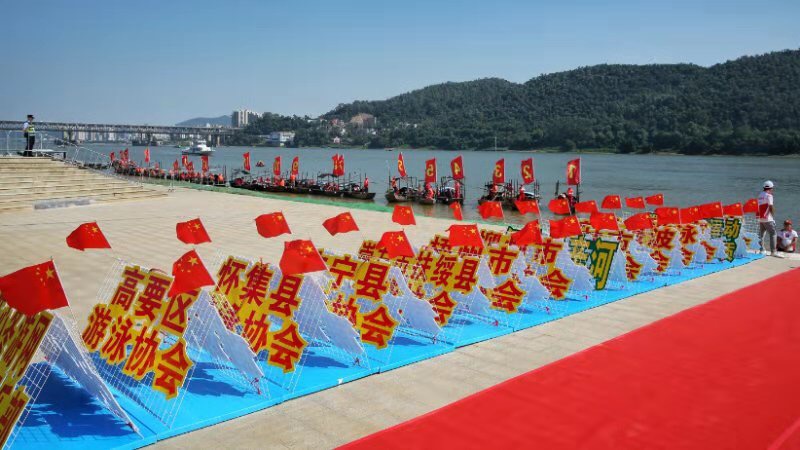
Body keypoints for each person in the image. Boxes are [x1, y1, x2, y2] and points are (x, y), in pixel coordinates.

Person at [757, 180, 782, 257]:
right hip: (768, 218)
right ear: (770, 188)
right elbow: (770, 206)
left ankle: (762, 250)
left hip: (760, 218)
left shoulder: (760, 195)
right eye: (772, 188)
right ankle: (773, 252)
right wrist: (773, 217)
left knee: (761, 235)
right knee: (773, 234)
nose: (772, 190)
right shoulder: (769, 196)